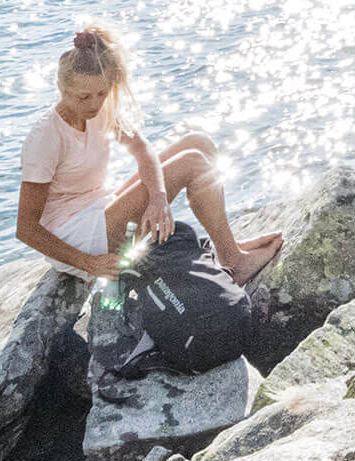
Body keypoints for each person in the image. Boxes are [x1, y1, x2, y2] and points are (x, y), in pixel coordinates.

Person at [16, 23, 283, 284]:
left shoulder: (99, 109)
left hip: (100, 209)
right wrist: (90, 263)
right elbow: (26, 229)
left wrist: (158, 198)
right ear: (63, 90)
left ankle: (228, 247)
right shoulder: (45, 138)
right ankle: (234, 263)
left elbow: (142, 150)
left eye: (102, 93)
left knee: (199, 143)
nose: (95, 103)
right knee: (192, 164)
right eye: (84, 97)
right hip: (79, 238)